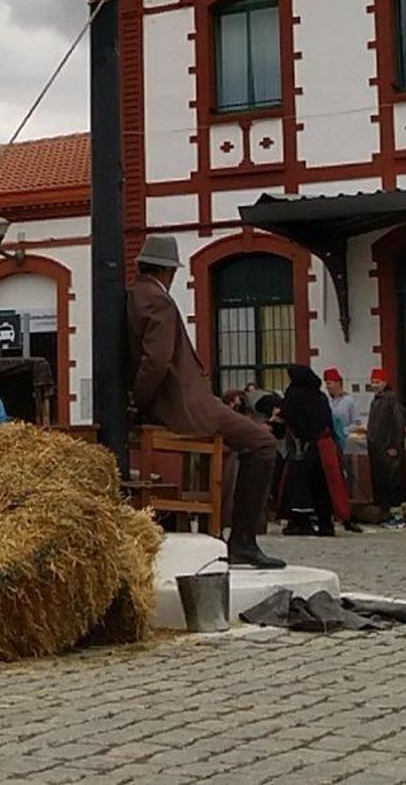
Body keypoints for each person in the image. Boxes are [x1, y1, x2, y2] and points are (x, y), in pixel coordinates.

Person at [127, 234, 285, 569]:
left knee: (231, 450)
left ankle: (216, 529)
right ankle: (242, 541)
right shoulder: (158, 300)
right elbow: (157, 360)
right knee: (263, 443)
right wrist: (139, 402)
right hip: (185, 406)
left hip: (179, 402)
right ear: (169, 270)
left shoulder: (137, 295)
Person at [277, 366, 354, 537]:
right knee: (324, 486)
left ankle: (301, 523)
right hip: (325, 445)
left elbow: (287, 416)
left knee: (300, 485)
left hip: (306, 447)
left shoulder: (294, 395)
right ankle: (326, 524)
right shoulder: (320, 396)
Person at [366, 368, 406, 530]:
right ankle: (387, 514)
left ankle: (397, 516)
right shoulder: (377, 400)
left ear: (385, 383)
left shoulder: (390, 400)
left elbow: (397, 424)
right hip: (378, 449)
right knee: (382, 483)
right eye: (373, 382)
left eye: (377, 382)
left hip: (388, 449)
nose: (374, 385)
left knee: (393, 483)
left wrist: (394, 445)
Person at [323, 368, 365, 533]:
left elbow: (357, 422)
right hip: (330, 443)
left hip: (345, 443)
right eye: (326, 383)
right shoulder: (327, 401)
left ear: (339, 383)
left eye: (330, 383)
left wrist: (344, 432)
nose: (328, 387)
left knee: (345, 477)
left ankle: (348, 510)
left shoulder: (350, 401)